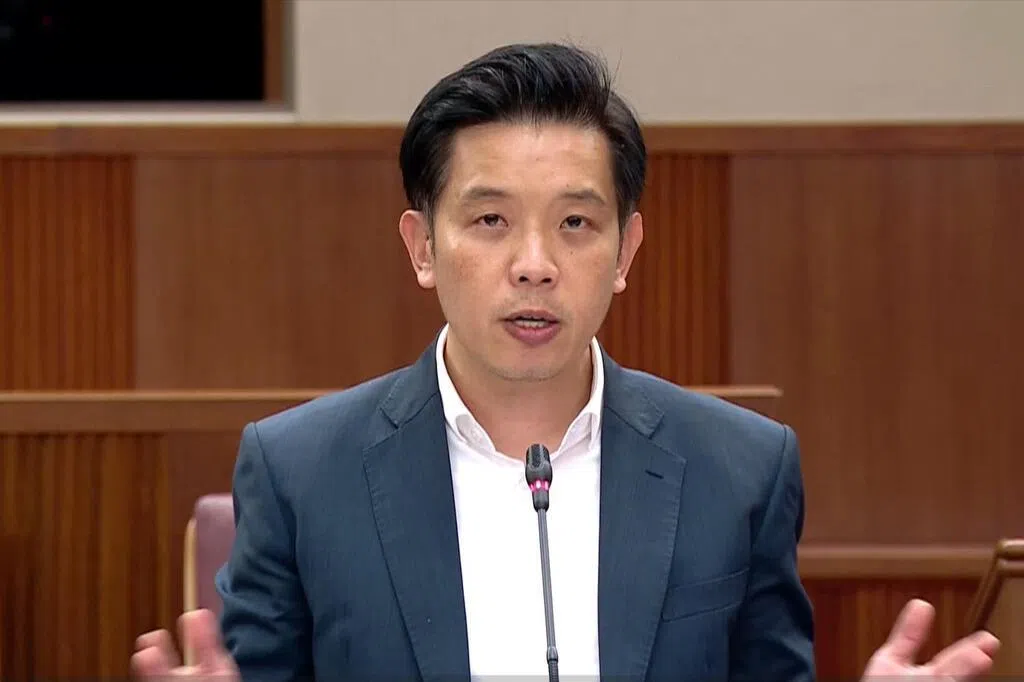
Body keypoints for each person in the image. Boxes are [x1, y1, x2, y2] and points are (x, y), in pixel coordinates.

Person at [132, 43, 999, 682]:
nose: (535, 265)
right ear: (422, 247)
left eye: (576, 223)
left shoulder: (741, 468)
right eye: (491, 221)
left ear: (626, 251)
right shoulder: (300, 472)